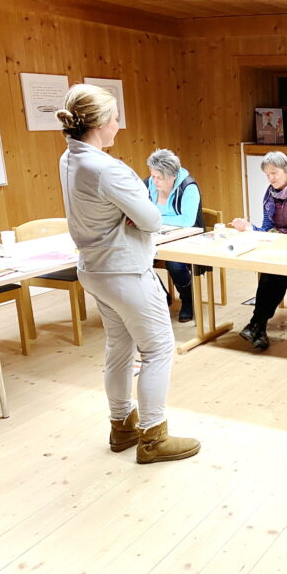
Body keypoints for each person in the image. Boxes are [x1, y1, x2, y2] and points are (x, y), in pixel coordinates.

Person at [56, 84, 200, 464]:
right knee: (158, 349)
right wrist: (133, 212)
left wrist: (127, 213)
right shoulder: (106, 168)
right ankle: (153, 437)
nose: (119, 125)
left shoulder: (69, 158)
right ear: (101, 122)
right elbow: (151, 219)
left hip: (95, 269)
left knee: (119, 348)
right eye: (116, 118)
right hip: (125, 270)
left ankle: (122, 426)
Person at [231, 151, 287, 350]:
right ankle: (258, 328)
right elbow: (266, 228)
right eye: (267, 174)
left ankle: (256, 324)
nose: (270, 178)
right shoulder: (270, 194)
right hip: (277, 245)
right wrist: (248, 227)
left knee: (277, 275)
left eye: (274, 173)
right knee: (270, 275)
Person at [145, 148, 202, 322]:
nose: (154, 181)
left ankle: (188, 299)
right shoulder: (149, 184)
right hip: (155, 237)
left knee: (174, 263)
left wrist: (155, 218)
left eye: (159, 177)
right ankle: (162, 296)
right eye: (153, 176)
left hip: (188, 237)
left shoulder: (188, 187)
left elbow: (187, 220)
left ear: (173, 176)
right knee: (137, 259)